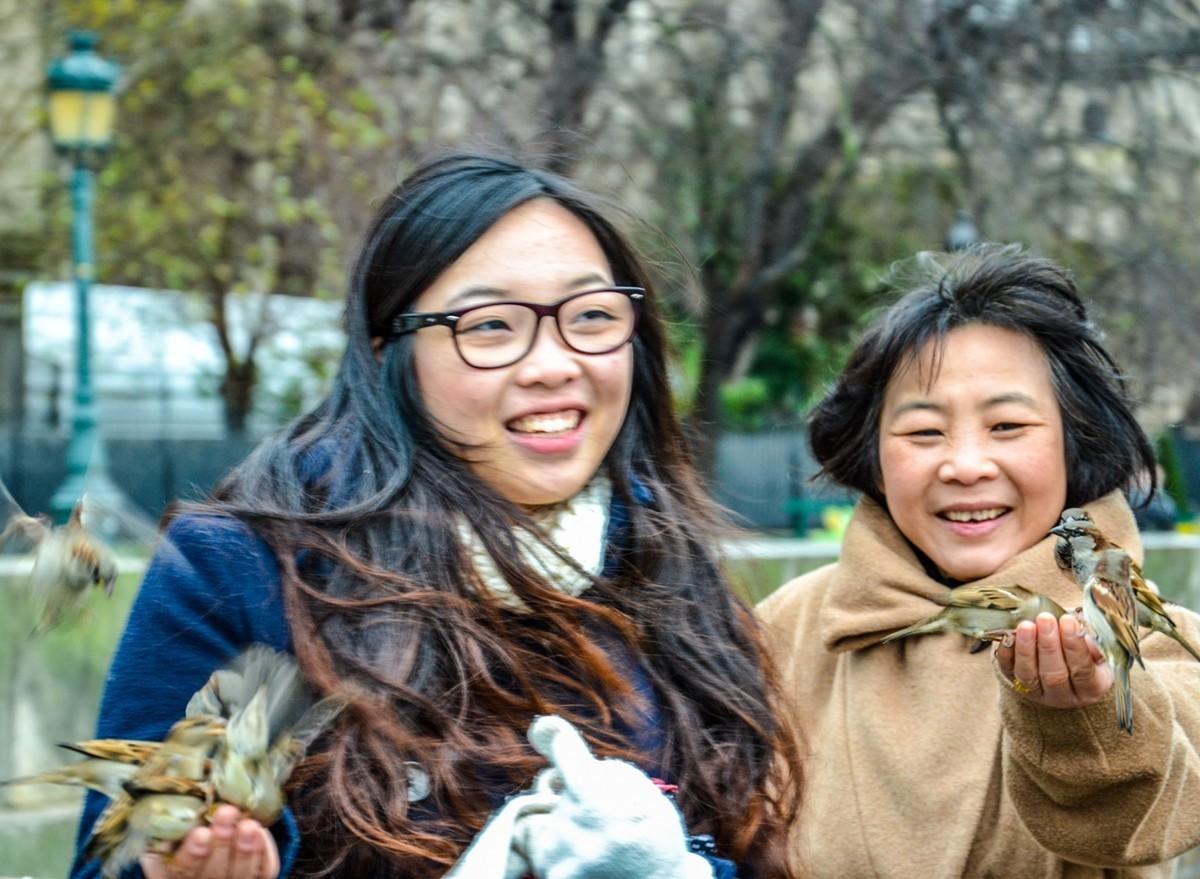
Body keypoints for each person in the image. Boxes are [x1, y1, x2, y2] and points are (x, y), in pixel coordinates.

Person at [68, 152, 801, 879]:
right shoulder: (247, 571)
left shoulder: (665, 560)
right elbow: (119, 856)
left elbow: (744, 839)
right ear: (390, 349)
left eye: (592, 315)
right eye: (489, 326)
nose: (554, 363)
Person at [758, 244, 1200, 878]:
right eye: (923, 433)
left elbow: (1140, 823)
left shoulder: (1157, 640)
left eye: (1008, 427)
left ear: (1075, 446)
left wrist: (1081, 720)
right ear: (873, 458)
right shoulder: (786, 631)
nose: (965, 466)